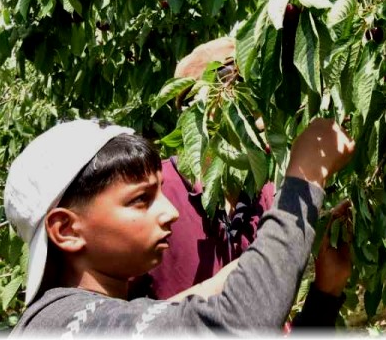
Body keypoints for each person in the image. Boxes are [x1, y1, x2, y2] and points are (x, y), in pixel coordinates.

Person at [4, 115, 354, 335]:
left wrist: (325, 293)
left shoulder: (111, 318)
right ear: (66, 229)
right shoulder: (64, 325)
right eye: (140, 199)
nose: (170, 211)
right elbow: (238, 322)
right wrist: (306, 174)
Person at [135, 37, 352, 327]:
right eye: (240, 92)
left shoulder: (267, 197)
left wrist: (326, 290)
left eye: (260, 94)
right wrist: (247, 278)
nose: (260, 115)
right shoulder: (152, 197)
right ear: (198, 107)